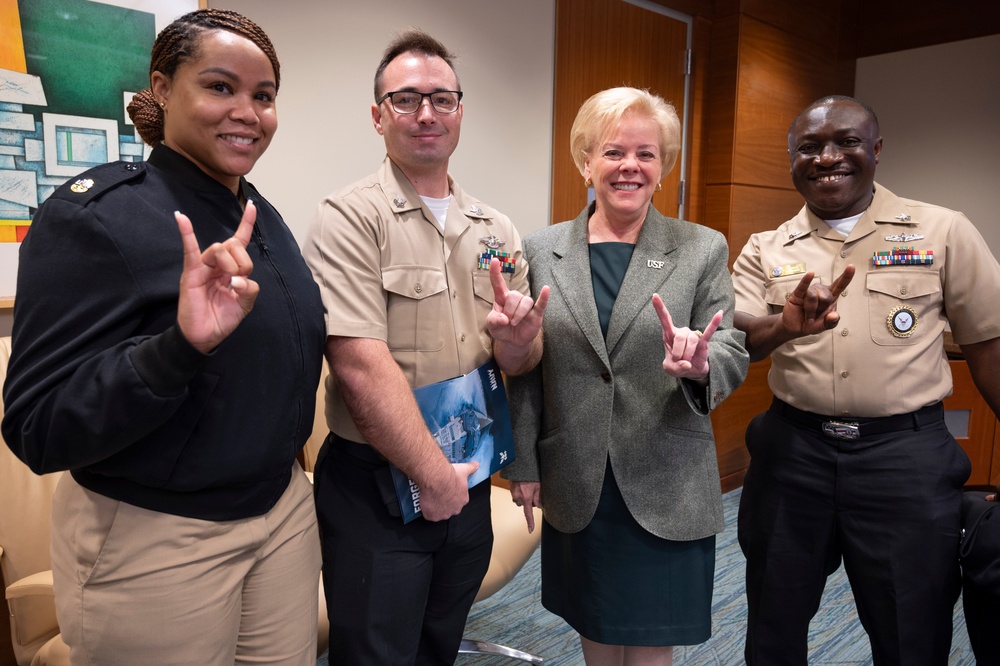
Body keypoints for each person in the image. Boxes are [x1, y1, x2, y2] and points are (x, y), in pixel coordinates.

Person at [1, 10, 325, 666]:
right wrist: (178, 348)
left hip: (280, 513)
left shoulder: (258, 215)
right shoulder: (97, 218)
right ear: (163, 87)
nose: (247, 111)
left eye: (263, 96)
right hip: (160, 534)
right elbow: (38, 427)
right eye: (220, 87)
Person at [301, 28, 548, 664]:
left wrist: (521, 344)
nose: (426, 113)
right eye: (406, 99)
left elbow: (515, 363)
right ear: (378, 116)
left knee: (441, 640)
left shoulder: (496, 228)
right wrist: (432, 476)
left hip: (467, 469)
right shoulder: (350, 216)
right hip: (378, 483)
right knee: (377, 651)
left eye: (441, 98)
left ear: (460, 110)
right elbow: (357, 363)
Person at [731, 94, 1000, 665]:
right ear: (792, 160)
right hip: (792, 455)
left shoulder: (943, 231)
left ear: (875, 149)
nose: (828, 157)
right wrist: (785, 324)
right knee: (773, 624)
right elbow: (743, 340)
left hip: (904, 458)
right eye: (809, 147)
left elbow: (989, 347)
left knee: (911, 631)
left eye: (846, 142)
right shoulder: (765, 247)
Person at [501, 87, 749, 666]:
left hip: (664, 475)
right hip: (577, 474)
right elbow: (529, 365)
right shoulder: (540, 250)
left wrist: (701, 363)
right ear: (585, 162)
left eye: (646, 153)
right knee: (594, 624)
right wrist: (526, 463)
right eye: (613, 152)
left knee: (648, 640)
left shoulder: (699, 247)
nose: (629, 166)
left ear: (663, 167)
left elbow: (731, 343)